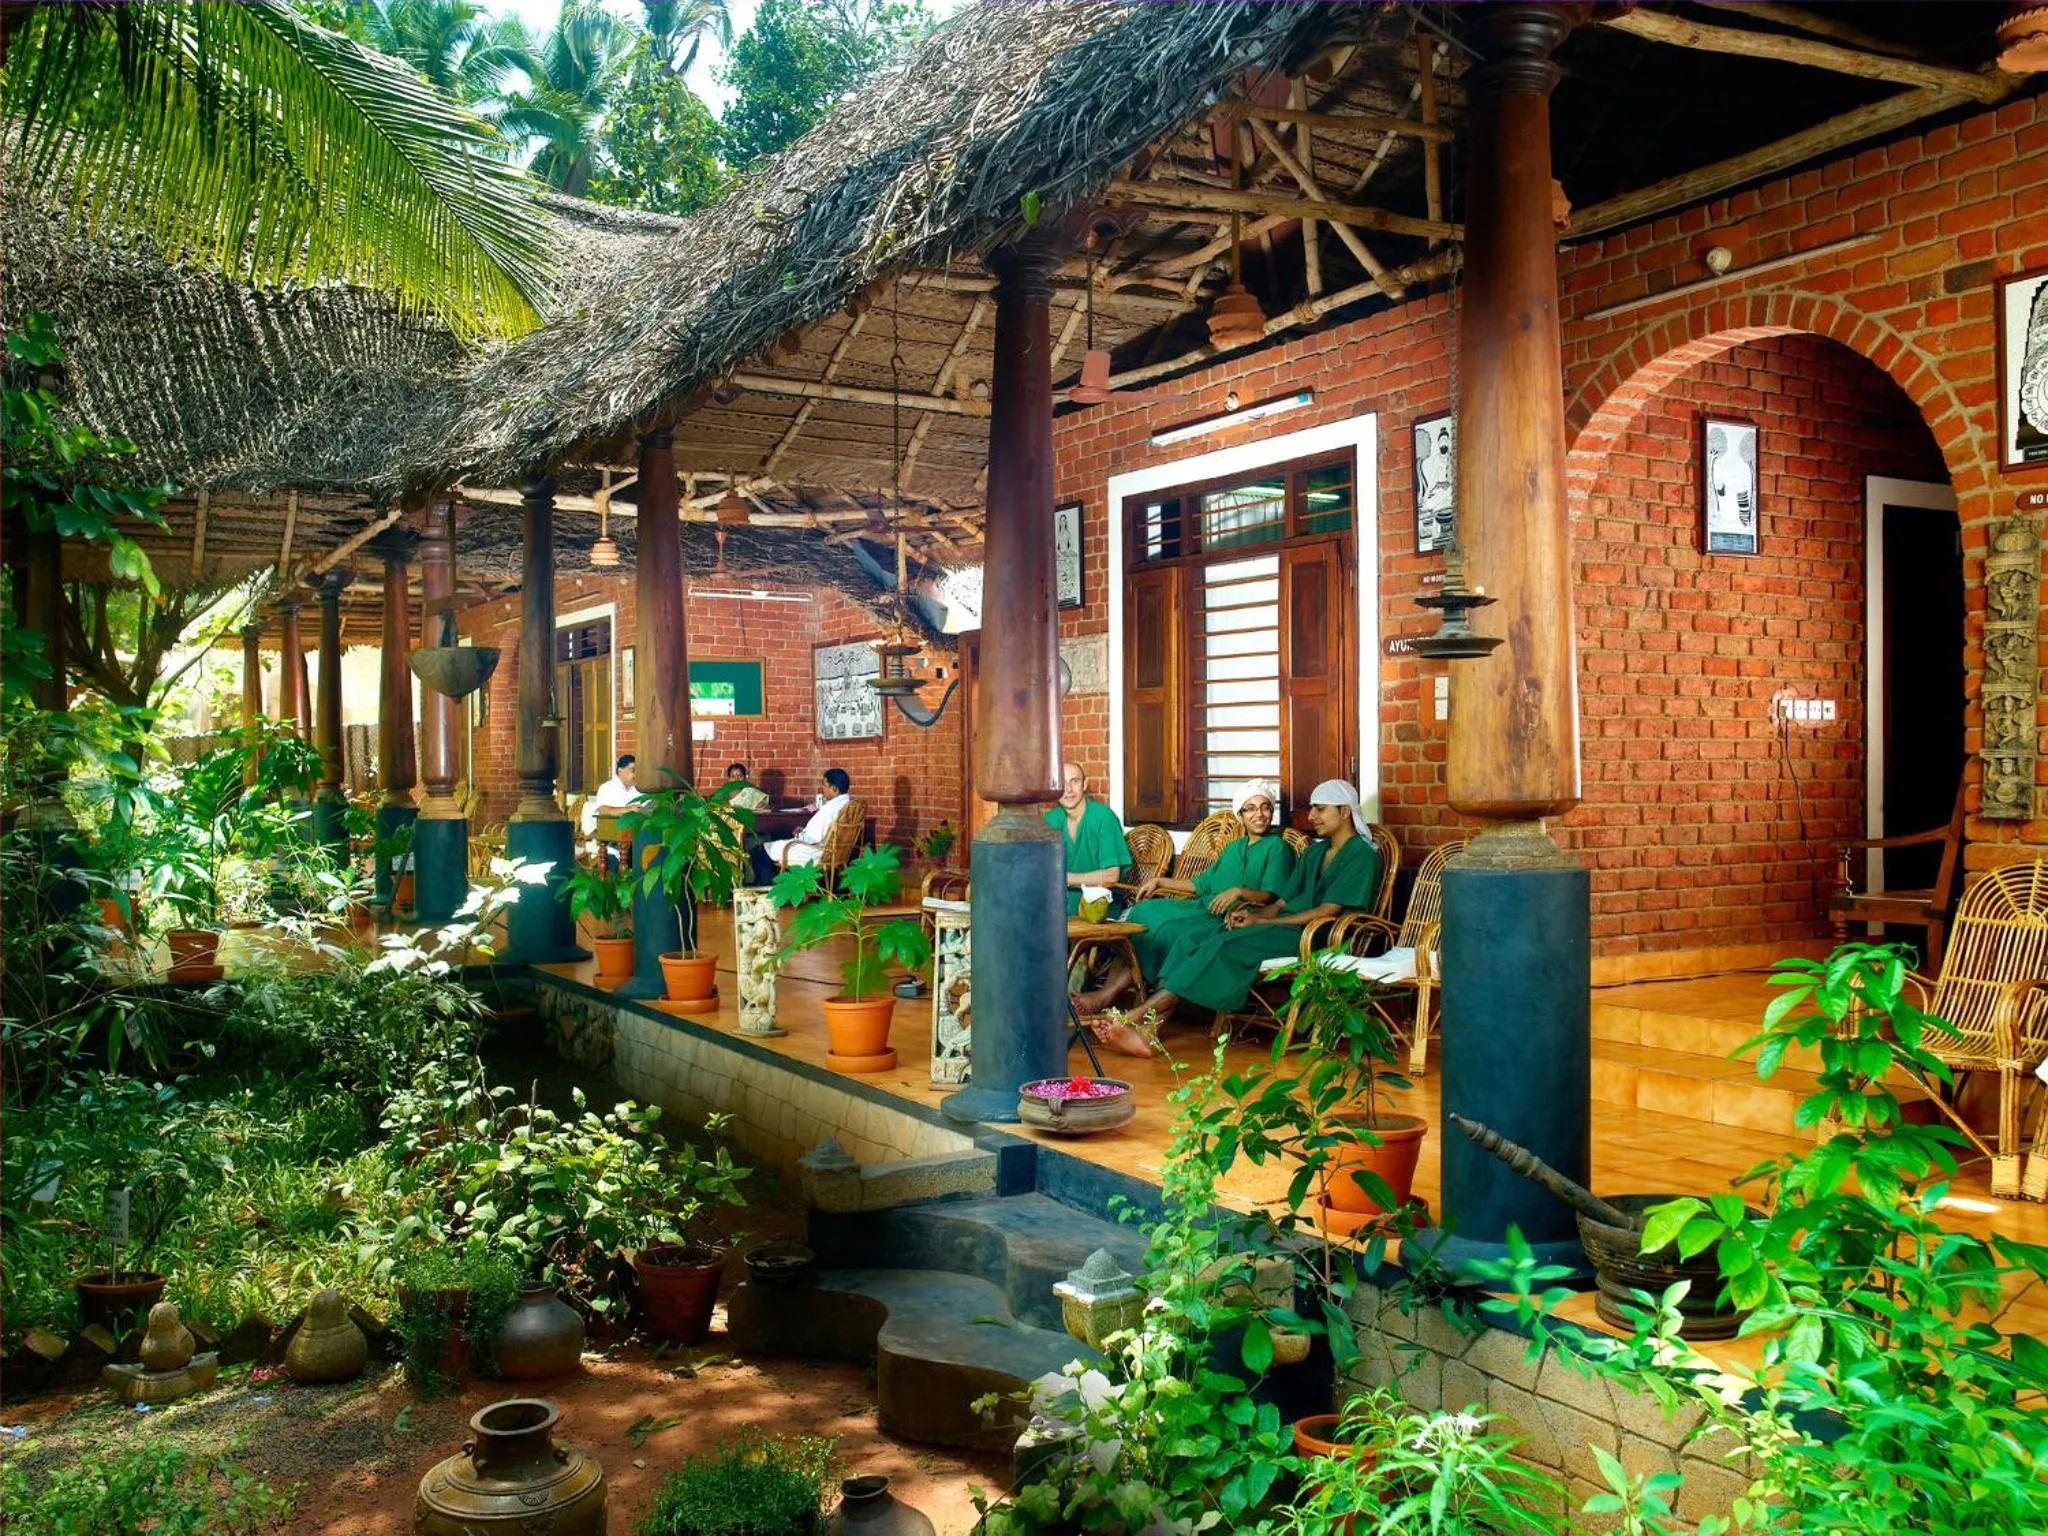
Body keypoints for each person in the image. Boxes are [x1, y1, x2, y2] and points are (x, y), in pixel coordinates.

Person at [1089, 780, 1381, 1059]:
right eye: (1313, 808)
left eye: (1320, 808)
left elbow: (1326, 912)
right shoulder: (1315, 851)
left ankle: (1133, 1017)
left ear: (1344, 811)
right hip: (1282, 927)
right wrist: (1250, 917)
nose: (1312, 815)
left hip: (1317, 936)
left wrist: (1262, 921)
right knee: (1210, 940)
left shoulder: (1361, 856)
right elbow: (1280, 903)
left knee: (1220, 945)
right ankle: (1149, 1029)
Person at [1076, 780, 1294, 1014]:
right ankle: (1107, 993)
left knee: (1174, 933)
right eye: (1250, 808)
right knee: (1143, 914)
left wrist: (1239, 891)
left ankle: (1131, 1007)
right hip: (1203, 907)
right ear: (1240, 814)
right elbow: (1200, 884)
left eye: (1265, 807)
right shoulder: (1234, 848)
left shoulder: (1277, 848)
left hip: (1234, 917)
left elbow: (1271, 895)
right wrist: (1161, 881)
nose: (1259, 814)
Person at [1047, 761, 1129, 917]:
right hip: (1057, 905)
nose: (1069, 790)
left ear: (1084, 785)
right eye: (1062, 784)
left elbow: (1112, 875)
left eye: (1074, 781)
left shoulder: (1103, 818)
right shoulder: (1051, 819)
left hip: (1098, 908)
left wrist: (1065, 878)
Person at [756, 767, 852, 882]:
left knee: (760, 851)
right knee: (776, 843)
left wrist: (800, 834)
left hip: (815, 853)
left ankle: (768, 891)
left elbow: (812, 838)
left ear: (834, 789)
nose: (823, 790)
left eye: (825, 786)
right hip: (834, 853)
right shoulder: (847, 805)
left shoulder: (830, 809)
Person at [582, 754, 639, 871]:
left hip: (637, 840)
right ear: (620, 770)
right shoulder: (607, 788)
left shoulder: (639, 789)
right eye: (632, 770)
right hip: (613, 844)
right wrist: (628, 810)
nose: (635, 774)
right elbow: (604, 810)